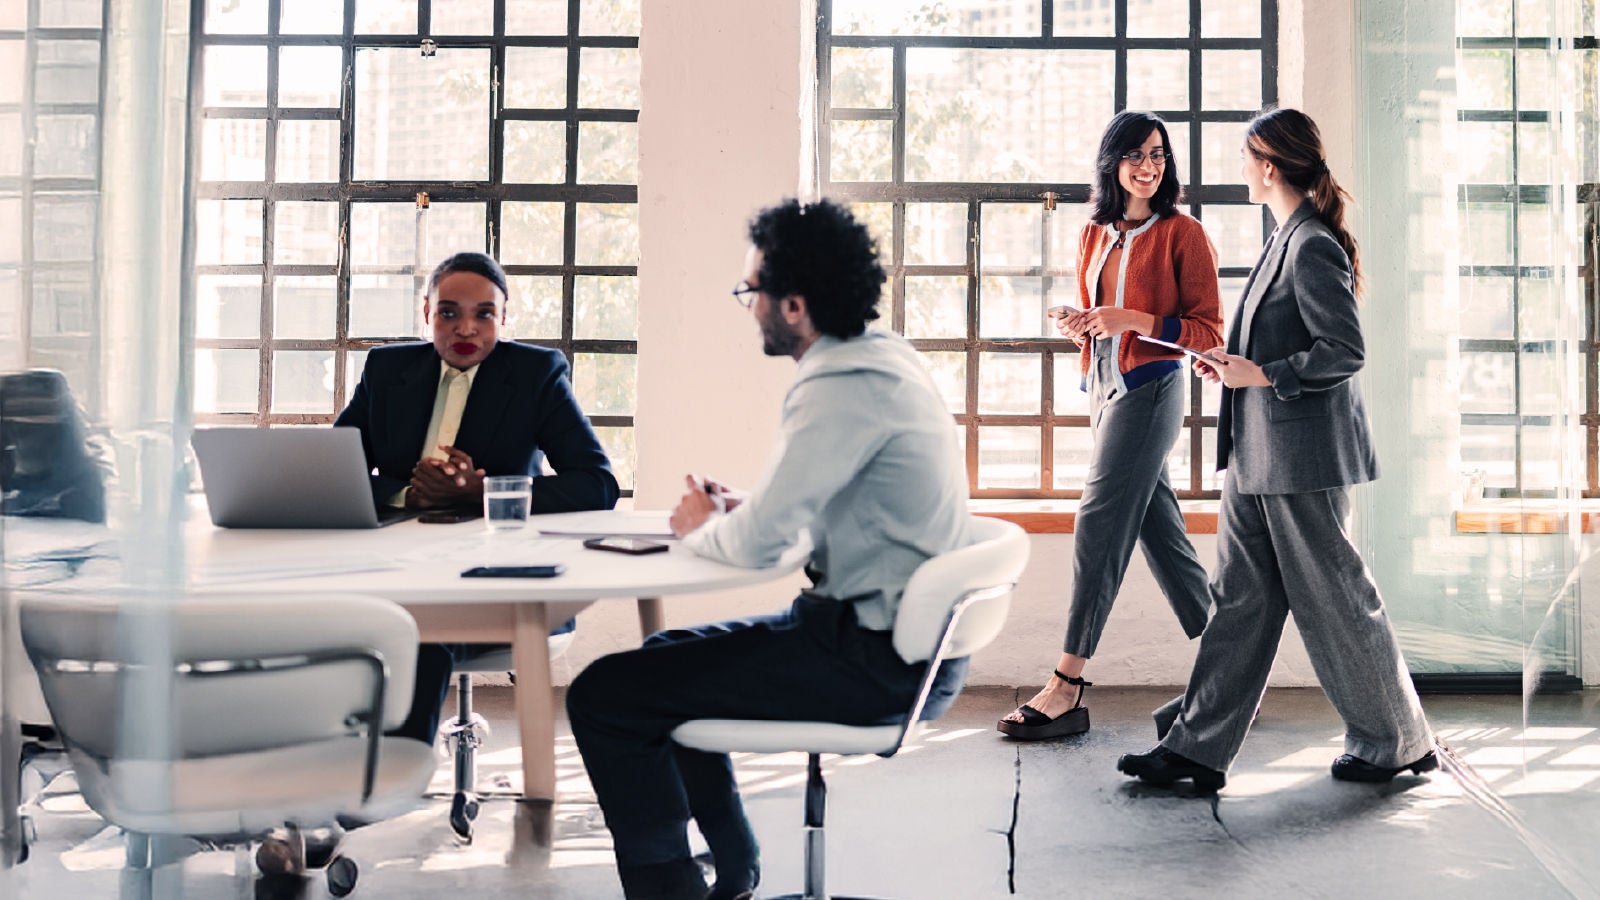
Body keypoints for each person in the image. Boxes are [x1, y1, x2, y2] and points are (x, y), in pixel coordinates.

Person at [566, 198, 972, 900]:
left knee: (604, 695)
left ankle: (672, 892)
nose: (747, 305)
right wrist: (743, 508)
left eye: (751, 292)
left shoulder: (838, 383)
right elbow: (820, 510)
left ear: (793, 305)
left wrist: (704, 525)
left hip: (871, 660)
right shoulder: (881, 359)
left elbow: (759, 550)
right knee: (663, 660)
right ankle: (734, 866)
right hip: (896, 644)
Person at [1116, 108, 1436, 793]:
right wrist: (1236, 364)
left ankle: (1399, 742)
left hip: (1301, 461)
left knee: (1339, 601)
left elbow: (1344, 350)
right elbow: (1284, 340)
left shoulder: (1311, 242)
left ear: (1269, 166)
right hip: (1260, 455)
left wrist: (1260, 374)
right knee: (1237, 602)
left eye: (1244, 158)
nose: (1239, 170)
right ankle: (1197, 750)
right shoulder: (1284, 238)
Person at [997, 111, 1223, 741]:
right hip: (1104, 390)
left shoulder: (1185, 233)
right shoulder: (1094, 232)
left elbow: (1207, 333)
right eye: (1134, 156)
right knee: (1163, 535)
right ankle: (1232, 666)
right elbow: (1104, 318)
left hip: (1151, 393)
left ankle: (1066, 684)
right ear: (1112, 163)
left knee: (1098, 519)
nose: (1147, 167)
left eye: (1157, 155)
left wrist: (1133, 319)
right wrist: (1085, 323)